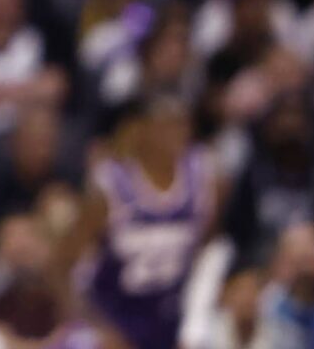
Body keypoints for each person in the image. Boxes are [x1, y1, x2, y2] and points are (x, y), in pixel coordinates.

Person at [73, 95, 219, 349]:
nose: (177, 133)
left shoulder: (202, 177)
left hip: (170, 319)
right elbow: (60, 267)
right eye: (167, 125)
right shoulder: (109, 185)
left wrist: (195, 325)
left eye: (182, 124)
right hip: (113, 317)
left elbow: (207, 255)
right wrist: (98, 328)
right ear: (143, 130)